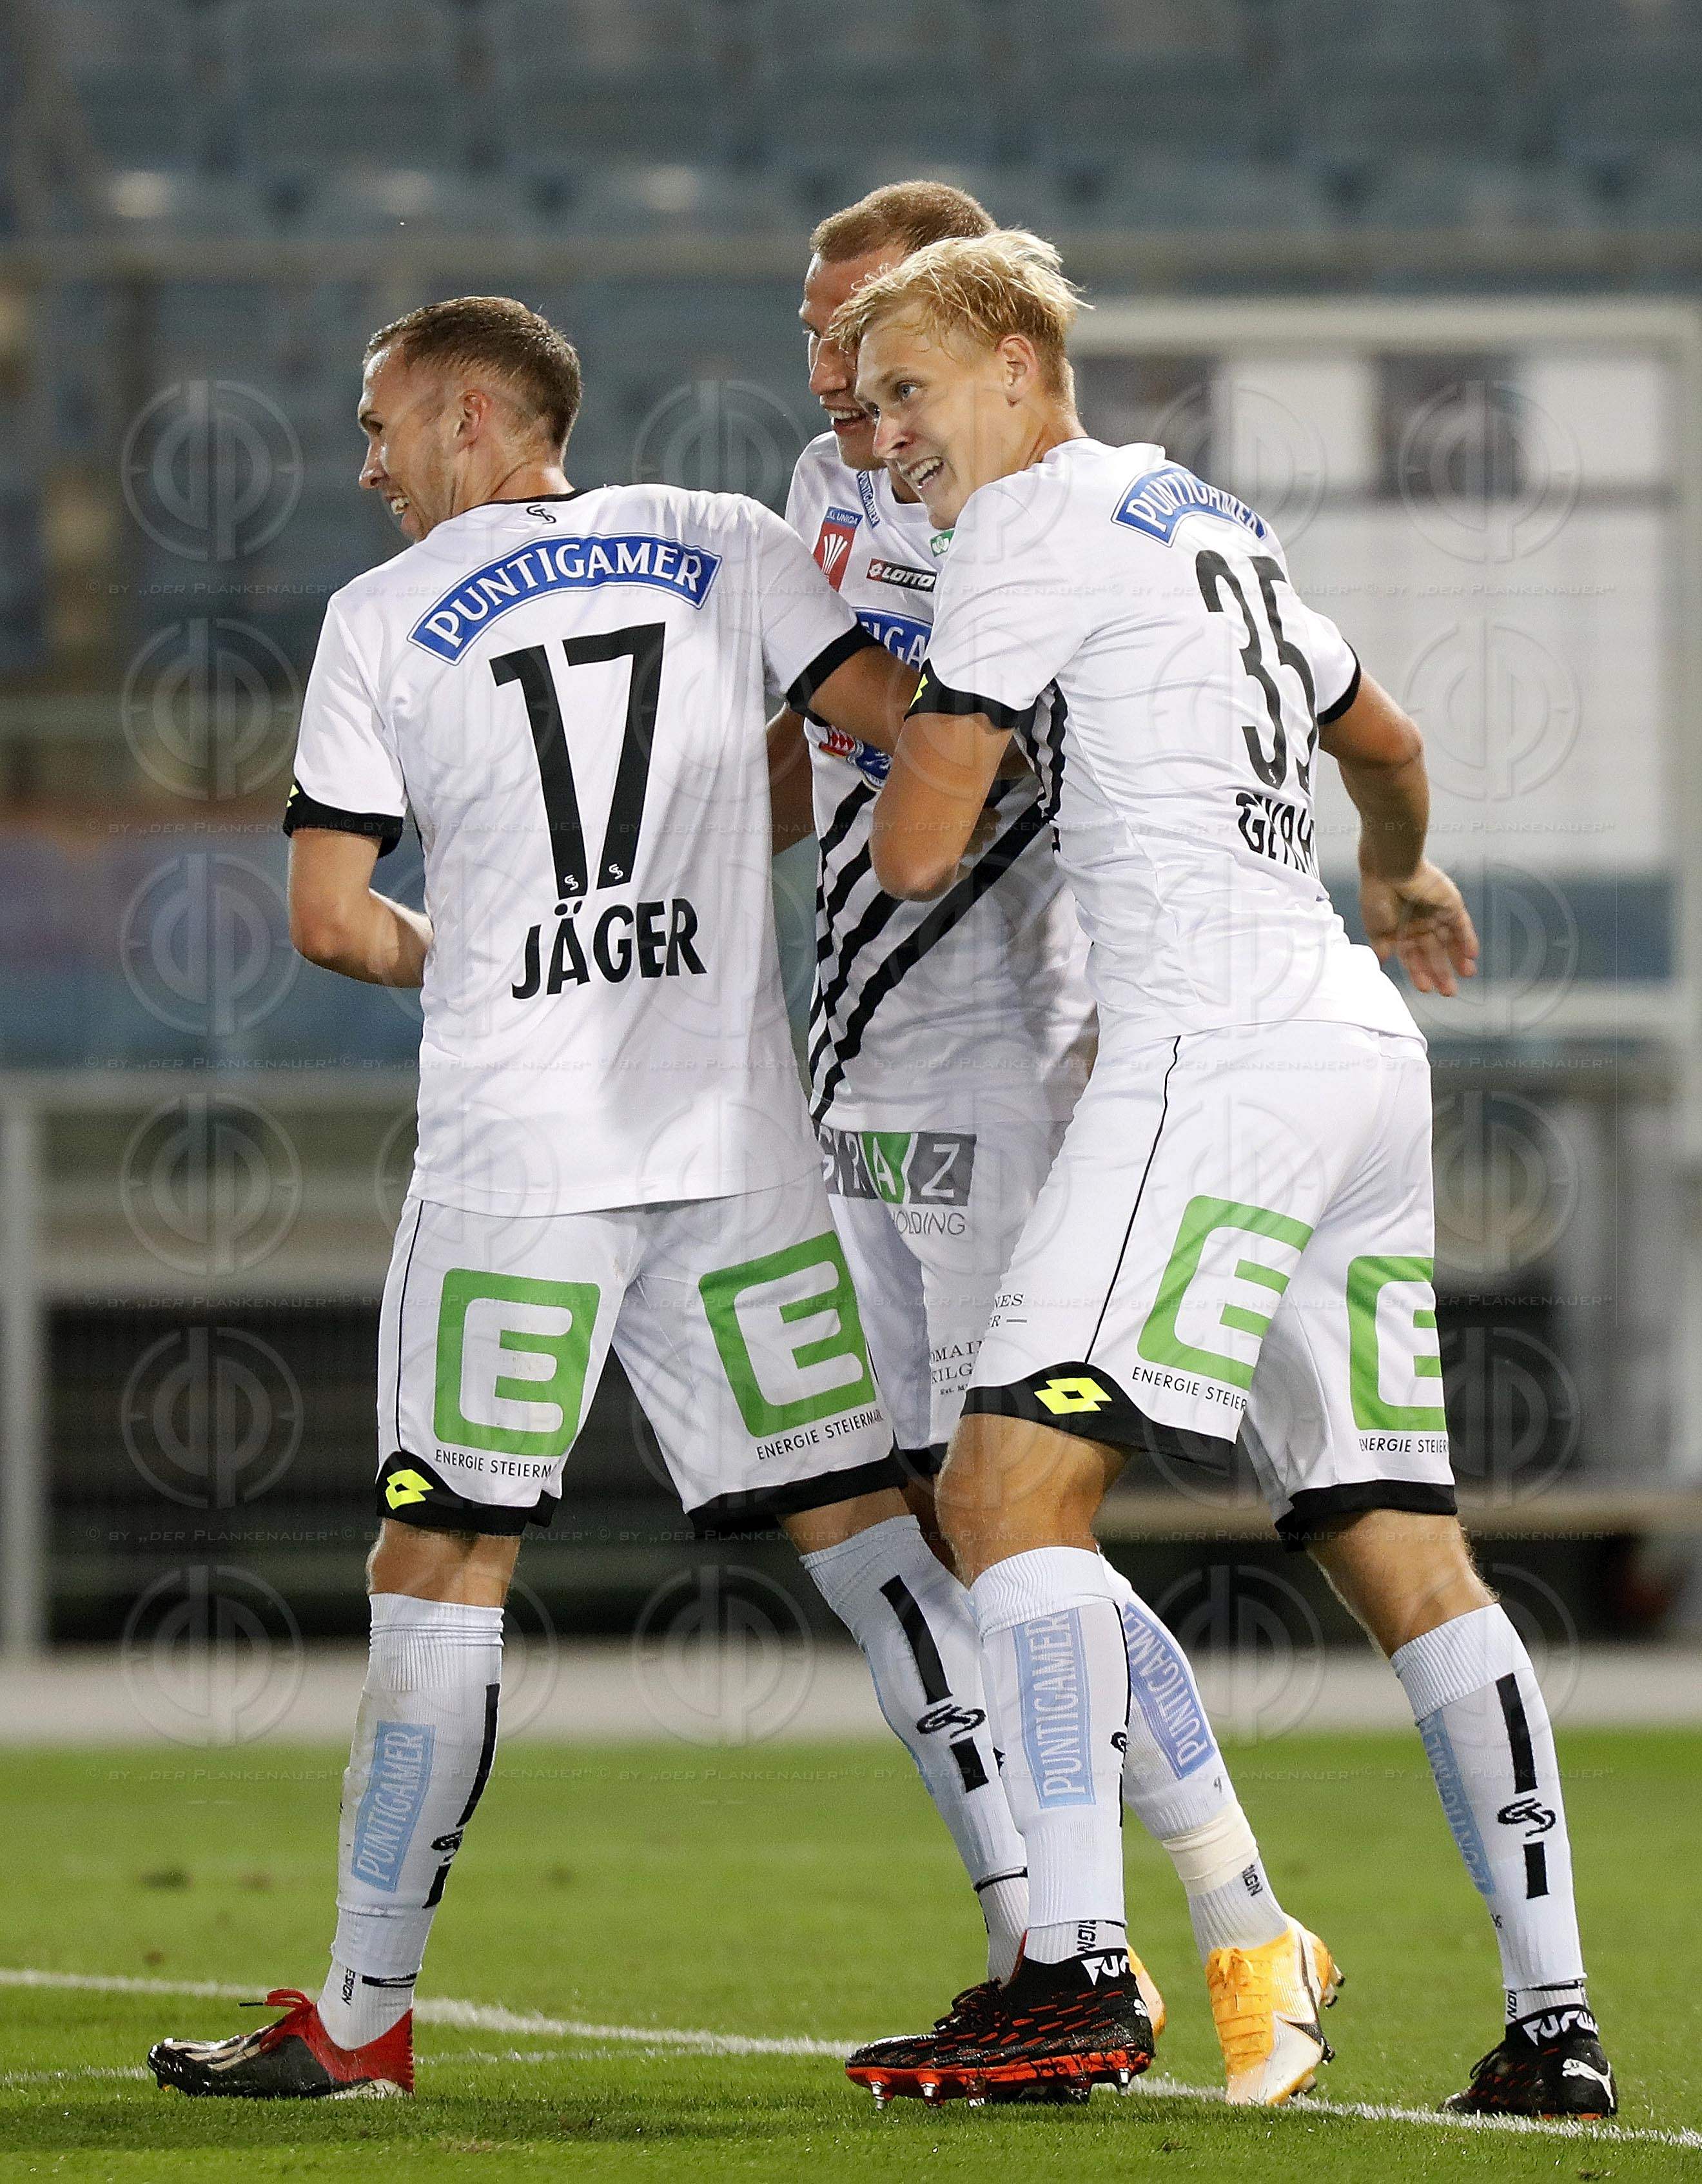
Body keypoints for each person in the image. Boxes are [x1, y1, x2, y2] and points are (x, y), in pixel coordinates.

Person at [144, 294, 1019, 2100]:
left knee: (444, 1560)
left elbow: (328, 918)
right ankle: (1050, 1942)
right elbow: (902, 729)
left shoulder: (379, 616)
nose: (368, 463)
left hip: (518, 1168)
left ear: (472, 416)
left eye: (381, 422)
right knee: (868, 1533)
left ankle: (364, 2013)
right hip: (737, 1152)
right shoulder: (727, 536)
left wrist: (464, 947)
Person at [830, 232, 1616, 2120]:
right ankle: (1556, 2021)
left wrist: (896, 704)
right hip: (1357, 1050)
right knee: (1406, 1544)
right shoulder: (1214, 522)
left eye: (908, 391)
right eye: (865, 404)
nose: (887, 434)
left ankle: (1074, 1975)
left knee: (1004, 1489)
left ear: (1015, 361)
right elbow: (1388, 743)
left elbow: (918, 853)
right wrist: (1400, 872)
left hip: (1211, 1053)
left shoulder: (1024, 524)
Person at [783, 190, 1335, 2111]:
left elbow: (991, 766)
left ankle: (1185, 1922)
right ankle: (1123, 1931)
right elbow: (816, 763)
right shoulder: (838, 486)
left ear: (973, 343)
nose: (845, 388)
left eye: (872, 349)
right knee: (958, 1513)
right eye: (821, 349)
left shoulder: (1030, 512)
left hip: (1013, 1055)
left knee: (1013, 1504)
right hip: (862, 1050)